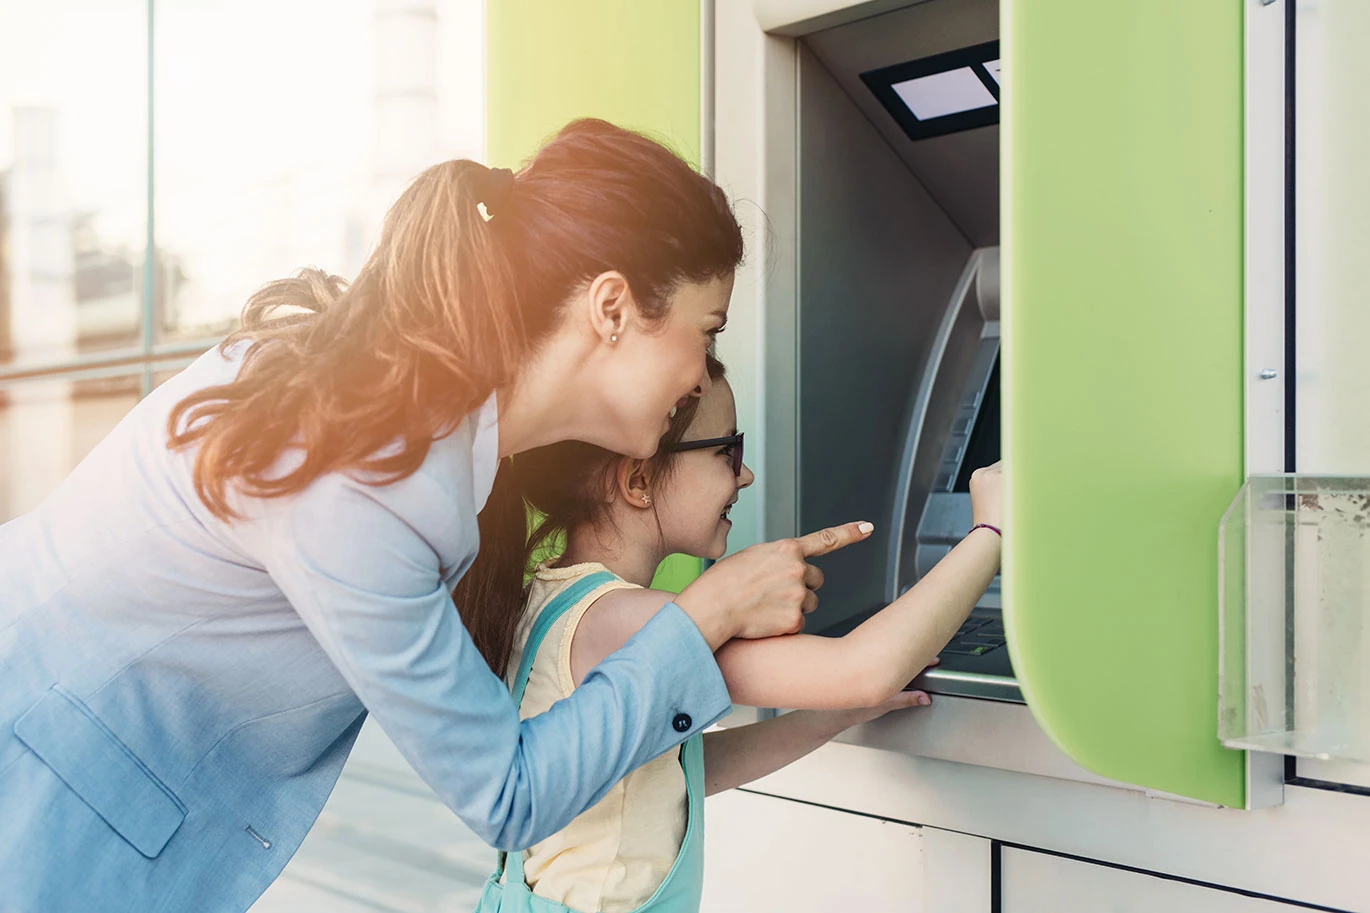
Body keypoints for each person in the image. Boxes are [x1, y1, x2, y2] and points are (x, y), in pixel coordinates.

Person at [0, 119, 872, 913]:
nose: (703, 372)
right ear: (612, 309)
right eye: (706, 332)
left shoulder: (422, 423)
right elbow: (508, 793)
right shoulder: (366, 473)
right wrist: (709, 612)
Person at [470, 355, 1003, 913]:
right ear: (637, 480)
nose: (744, 475)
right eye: (729, 451)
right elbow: (863, 670)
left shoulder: (549, 596)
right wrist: (991, 530)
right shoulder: (622, 621)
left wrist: (838, 715)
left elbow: (678, 774)